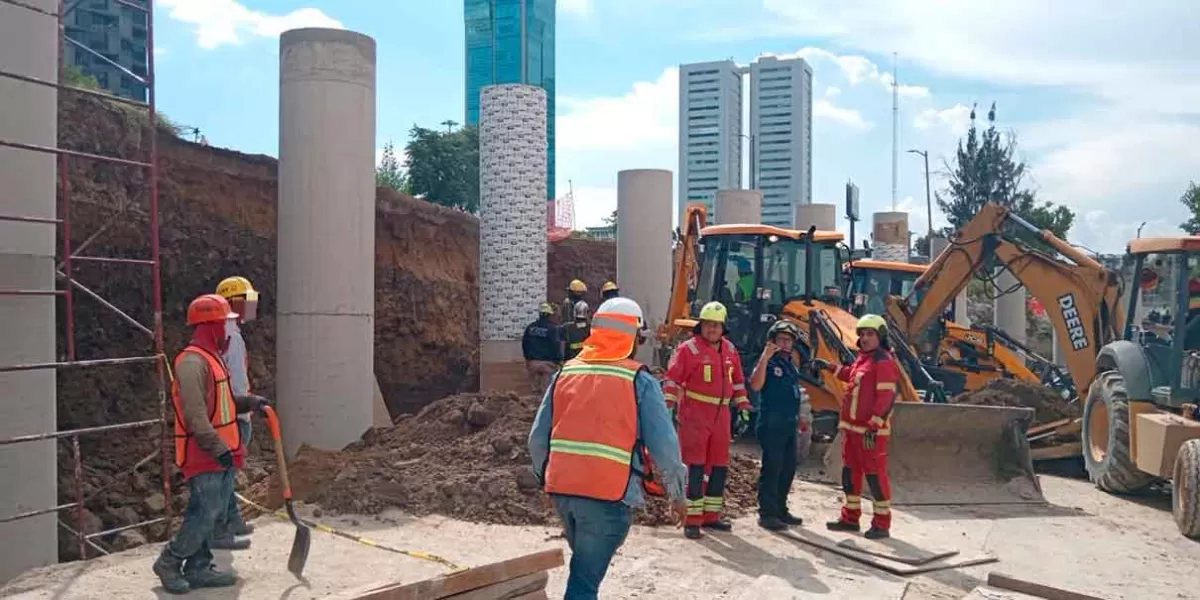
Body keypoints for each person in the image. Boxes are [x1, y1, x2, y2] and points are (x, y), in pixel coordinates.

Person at [528, 297, 688, 600]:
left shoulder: (565, 373)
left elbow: (537, 439)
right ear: (634, 337)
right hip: (608, 498)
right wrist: (677, 493)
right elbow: (664, 445)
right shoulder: (638, 379)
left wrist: (545, 480)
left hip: (564, 493)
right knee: (584, 584)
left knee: (584, 571)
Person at [153, 294, 272, 594]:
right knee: (205, 511)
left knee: (211, 508)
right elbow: (195, 417)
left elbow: (223, 403)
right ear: (209, 326)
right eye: (223, 324)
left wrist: (248, 402)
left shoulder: (211, 358)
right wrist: (218, 449)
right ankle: (170, 560)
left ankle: (198, 566)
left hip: (219, 450)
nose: (227, 331)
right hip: (203, 452)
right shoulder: (192, 362)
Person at [661, 301, 751, 539]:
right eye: (708, 325)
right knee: (695, 467)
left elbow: (739, 382)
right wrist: (668, 407)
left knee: (719, 466)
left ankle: (712, 516)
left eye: (716, 325)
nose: (712, 329)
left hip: (722, 415)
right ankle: (692, 520)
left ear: (723, 328)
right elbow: (672, 380)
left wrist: (743, 407)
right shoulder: (688, 350)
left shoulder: (730, 350)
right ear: (701, 326)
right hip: (695, 414)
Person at [813, 313, 899, 540]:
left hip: (871, 432)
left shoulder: (884, 362)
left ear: (880, 336)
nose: (865, 338)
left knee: (874, 475)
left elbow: (887, 396)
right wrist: (829, 367)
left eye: (870, 334)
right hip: (851, 429)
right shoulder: (864, 359)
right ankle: (850, 518)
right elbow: (851, 375)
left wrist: (875, 424)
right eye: (862, 334)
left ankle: (881, 523)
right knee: (850, 474)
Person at [211, 276, 259, 550]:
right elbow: (237, 379)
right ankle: (220, 530)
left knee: (227, 472)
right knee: (226, 474)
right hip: (234, 414)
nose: (250, 307)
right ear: (231, 303)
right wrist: (246, 406)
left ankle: (232, 519)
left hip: (228, 412)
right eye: (245, 301)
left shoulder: (224, 331)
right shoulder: (231, 335)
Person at [748, 319, 810, 531]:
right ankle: (767, 514)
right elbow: (755, 385)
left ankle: (780, 509)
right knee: (772, 469)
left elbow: (794, 392)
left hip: (788, 424)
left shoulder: (790, 365)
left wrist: (800, 416)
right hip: (771, 423)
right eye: (781, 339)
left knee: (787, 468)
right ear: (772, 341)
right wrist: (765, 357)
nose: (785, 344)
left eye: (788, 340)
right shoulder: (769, 363)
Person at [523, 302, 564, 394]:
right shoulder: (552, 329)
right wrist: (559, 360)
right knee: (546, 393)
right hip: (547, 364)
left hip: (532, 363)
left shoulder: (530, 327)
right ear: (549, 315)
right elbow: (556, 345)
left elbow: (525, 344)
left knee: (532, 394)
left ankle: (531, 407)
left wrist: (528, 359)